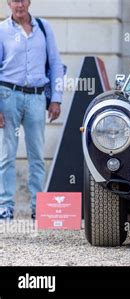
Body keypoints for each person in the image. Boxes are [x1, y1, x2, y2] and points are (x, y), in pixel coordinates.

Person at [0, 0, 64, 220]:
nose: (19, 5)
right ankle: (5, 206)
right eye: (15, 0)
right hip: (8, 95)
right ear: (8, 3)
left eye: (23, 0)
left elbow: (55, 63)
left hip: (37, 97)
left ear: (29, 2)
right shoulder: (1, 30)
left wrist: (56, 98)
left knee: (37, 154)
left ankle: (38, 207)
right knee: (7, 153)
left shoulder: (44, 28)